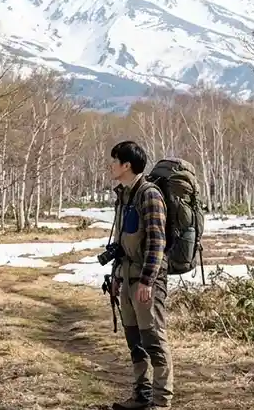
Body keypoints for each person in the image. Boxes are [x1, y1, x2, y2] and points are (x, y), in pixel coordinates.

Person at [108, 140, 172, 409]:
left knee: (153, 338)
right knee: (135, 340)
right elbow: (123, 242)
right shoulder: (123, 195)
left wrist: (147, 280)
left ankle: (161, 400)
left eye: (114, 160)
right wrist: (116, 276)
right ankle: (142, 396)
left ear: (127, 165)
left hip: (146, 280)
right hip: (126, 277)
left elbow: (157, 241)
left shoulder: (149, 195)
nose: (110, 165)